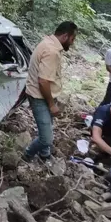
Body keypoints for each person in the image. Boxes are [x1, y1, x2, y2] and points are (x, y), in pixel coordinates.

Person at [24, 21, 78, 162]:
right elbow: (43, 81)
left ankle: (44, 155)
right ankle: (27, 155)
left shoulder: (47, 42)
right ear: (65, 36)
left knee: (47, 126)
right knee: (46, 139)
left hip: (42, 95)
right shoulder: (52, 51)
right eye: (73, 39)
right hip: (40, 96)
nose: (72, 43)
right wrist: (51, 104)